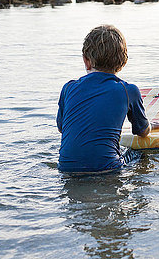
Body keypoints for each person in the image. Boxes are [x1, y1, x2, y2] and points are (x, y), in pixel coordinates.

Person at [56, 25, 149, 173]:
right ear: (123, 61)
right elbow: (142, 132)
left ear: (86, 61)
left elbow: (62, 128)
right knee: (141, 153)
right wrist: (150, 126)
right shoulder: (129, 90)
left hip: (66, 168)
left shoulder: (68, 88)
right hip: (108, 168)